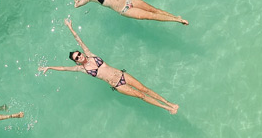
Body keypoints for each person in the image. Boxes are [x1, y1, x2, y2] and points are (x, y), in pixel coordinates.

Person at [38, 19, 178, 113]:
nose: (80, 56)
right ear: (77, 62)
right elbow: (64, 68)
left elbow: (79, 40)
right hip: (117, 85)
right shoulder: (82, 69)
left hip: (121, 74)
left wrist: (70, 27)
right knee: (140, 95)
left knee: (144, 88)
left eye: (79, 54)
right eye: (77, 58)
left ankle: (169, 103)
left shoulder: (90, 54)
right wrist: (49, 67)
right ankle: (166, 108)